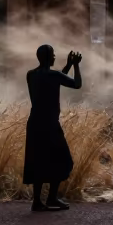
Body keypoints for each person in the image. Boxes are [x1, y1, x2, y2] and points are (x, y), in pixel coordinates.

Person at [23, 45, 82, 211]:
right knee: (62, 159)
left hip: (34, 123)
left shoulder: (31, 74)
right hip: (49, 124)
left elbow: (55, 79)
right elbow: (77, 84)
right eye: (53, 55)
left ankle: (38, 201)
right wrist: (76, 65)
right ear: (49, 57)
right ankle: (51, 198)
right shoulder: (54, 75)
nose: (55, 57)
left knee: (38, 160)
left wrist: (68, 65)